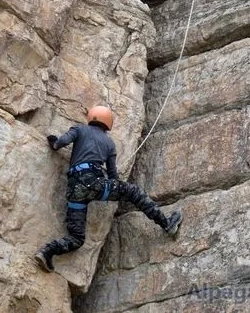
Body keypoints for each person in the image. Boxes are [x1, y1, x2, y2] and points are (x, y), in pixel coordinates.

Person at [35, 105, 183, 272]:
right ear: (108, 124)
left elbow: (61, 142)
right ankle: (166, 223)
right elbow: (113, 176)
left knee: (77, 238)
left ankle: (47, 251)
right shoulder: (109, 143)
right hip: (96, 186)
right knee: (133, 192)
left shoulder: (79, 129)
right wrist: (115, 187)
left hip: (75, 191)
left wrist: (54, 143)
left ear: (91, 117)